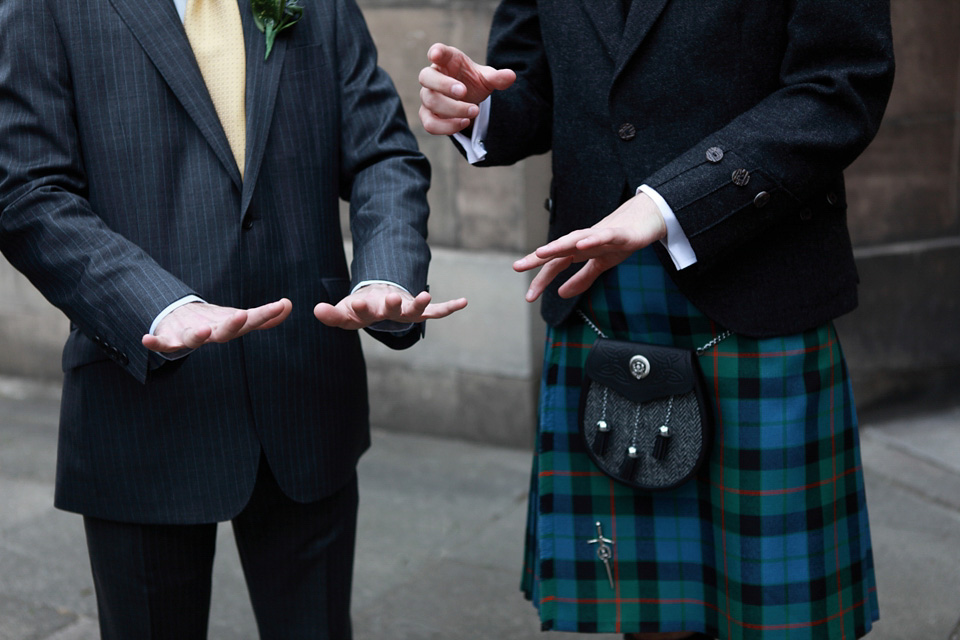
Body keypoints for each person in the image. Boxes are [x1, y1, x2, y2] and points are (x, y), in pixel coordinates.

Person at [418, 0, 894, 638]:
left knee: (779, 616)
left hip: (756, 295)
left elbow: (840, 86)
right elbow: (534, 81)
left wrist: (671, 203)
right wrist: (479, 109)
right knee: (647, 614)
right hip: (604, 304)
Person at [0, 0, 466, 637]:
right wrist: (156, 303)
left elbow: (383, 152)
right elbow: (27, 189)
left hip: (305, 388)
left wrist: (386, 272)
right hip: (143, 400)